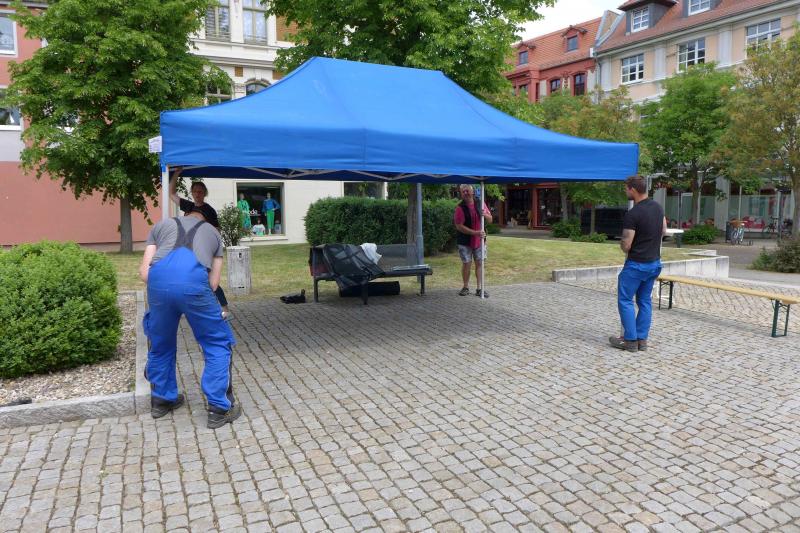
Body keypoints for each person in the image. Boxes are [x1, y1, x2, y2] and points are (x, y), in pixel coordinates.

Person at [138, 210, 242, 429]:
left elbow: (145, 274)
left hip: (158, 283)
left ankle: (161, 400)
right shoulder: (213, 233)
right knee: (216, 342)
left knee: (161, 343)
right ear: (203, 220)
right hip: (194, 283)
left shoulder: (160, 226)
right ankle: (218, 409)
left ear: (184, 216)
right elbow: (213, 284)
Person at [609, 176, 667, 352]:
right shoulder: (658, 207)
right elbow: (663, 230)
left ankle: (630, 340)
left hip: (636, 265)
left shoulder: (633, 214)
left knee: (625, 300)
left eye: (626, 188)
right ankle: (642, 340)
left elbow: (626, 245)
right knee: (644, 301)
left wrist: (622, 244)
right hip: (654, 263)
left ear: (633, 189)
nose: (625, 191)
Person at [170, 168, 232, 321]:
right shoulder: (188, 206)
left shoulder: (209, 210)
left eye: (200, 191)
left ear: (204, 193)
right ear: (192, 193)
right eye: (195, 191)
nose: (197, 194)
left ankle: (224, 308)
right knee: (187, 277)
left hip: (203, 249)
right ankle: (190, 307)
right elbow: (171, 193)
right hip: (187, 248)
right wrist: (176, 173)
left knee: (209, 279)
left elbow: (217, 231)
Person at [454, 184, 492, 297]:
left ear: (473, 192)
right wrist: (475, 233)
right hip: (465, 241)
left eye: (467, 191)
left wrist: (484, 214)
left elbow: (490, 220)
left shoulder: (480, 203)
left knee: (480, 263)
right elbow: (459, 226)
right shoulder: (460, 208)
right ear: (461, 194)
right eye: (463, 192)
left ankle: (480, 288)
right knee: (467, 263)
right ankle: (465, 287)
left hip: (480, 240)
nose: (465, 193)